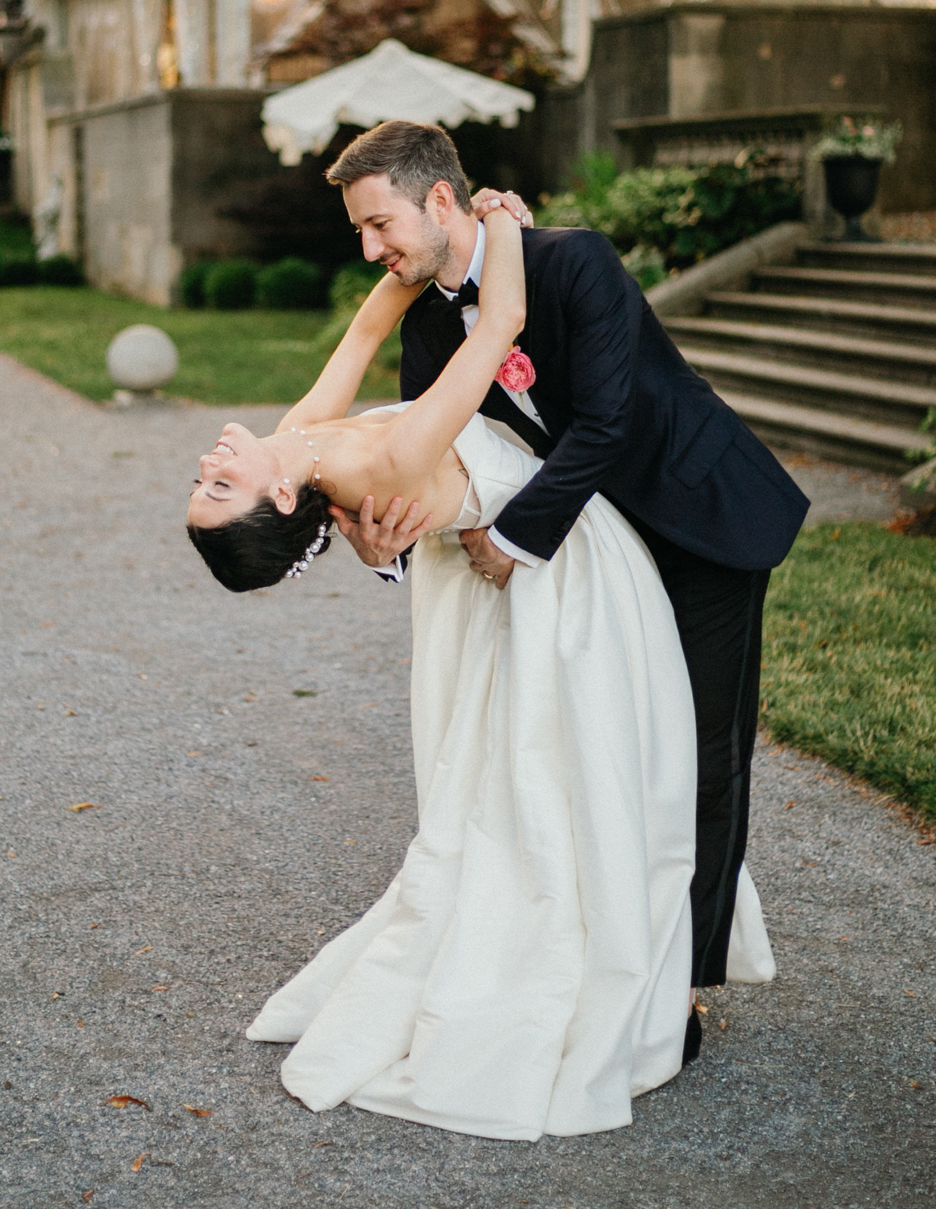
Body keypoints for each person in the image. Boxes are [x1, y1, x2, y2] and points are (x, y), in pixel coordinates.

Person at [186, 206, 775, 1140]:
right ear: (285, 500)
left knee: (588, 776)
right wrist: (497, 226)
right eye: (221, 487)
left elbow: (368, 324)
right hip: (565, 581)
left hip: (608, 524)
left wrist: (419, 253)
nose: (211, 463)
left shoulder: (301, 440)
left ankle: (662, 954)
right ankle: (627, 972)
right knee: (598, 781)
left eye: (204, 480)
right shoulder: (386, 456)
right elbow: (496, 330)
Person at [323, 121, 808, 1062]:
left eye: (379, 224)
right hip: (598, 551)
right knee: (609, 755)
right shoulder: (427, 320)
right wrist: (380, 541)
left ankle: (677, 988)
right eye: (359, 233)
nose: (373, 250)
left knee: (700, 762)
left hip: (700, 523)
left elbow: (609, 420)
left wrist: (513, 535)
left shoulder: (574, 262)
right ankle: (608, 948)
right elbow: (431, 446)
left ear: (437, 199)